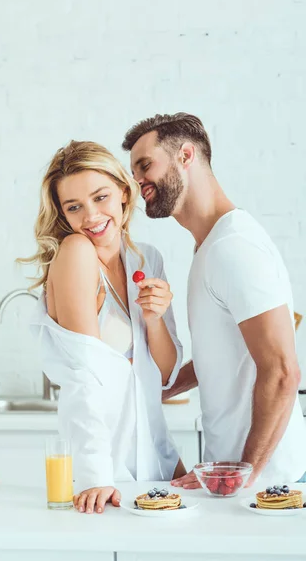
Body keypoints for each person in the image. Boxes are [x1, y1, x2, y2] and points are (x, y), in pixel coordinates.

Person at [122, 113, 306, 487]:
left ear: (185, 156)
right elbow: (226, 354)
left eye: (145, 166)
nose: (138, 182)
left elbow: (283, 372)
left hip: (270, 485)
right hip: (238, 478)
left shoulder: (233, 247)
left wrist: (245, 472)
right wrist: (163, 386)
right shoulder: (210, 246)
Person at [22, 141, 185, 513]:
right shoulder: (77, 253)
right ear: (62, 213)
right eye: (74, 206)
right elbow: (83, 376)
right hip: (108, 472)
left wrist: (154, 319)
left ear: (124, 193)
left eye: (101, 197)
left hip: (158, 458)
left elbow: (163, 374)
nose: (91, 216)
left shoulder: (146, 257)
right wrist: (95, 474)